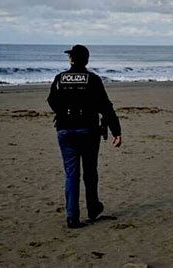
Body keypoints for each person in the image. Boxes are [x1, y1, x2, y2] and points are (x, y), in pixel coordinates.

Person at [47, 44, 122, 229]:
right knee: (90, 172)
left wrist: (64, 113)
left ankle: (72, 216)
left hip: (65, 130)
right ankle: (93, 208)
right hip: (88, 130)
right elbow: (105, 106)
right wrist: (116, 131)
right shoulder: (93, 79)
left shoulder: (60, 78)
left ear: (71, 59)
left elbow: (51, 100)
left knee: (71, 174)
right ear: (87, 60)